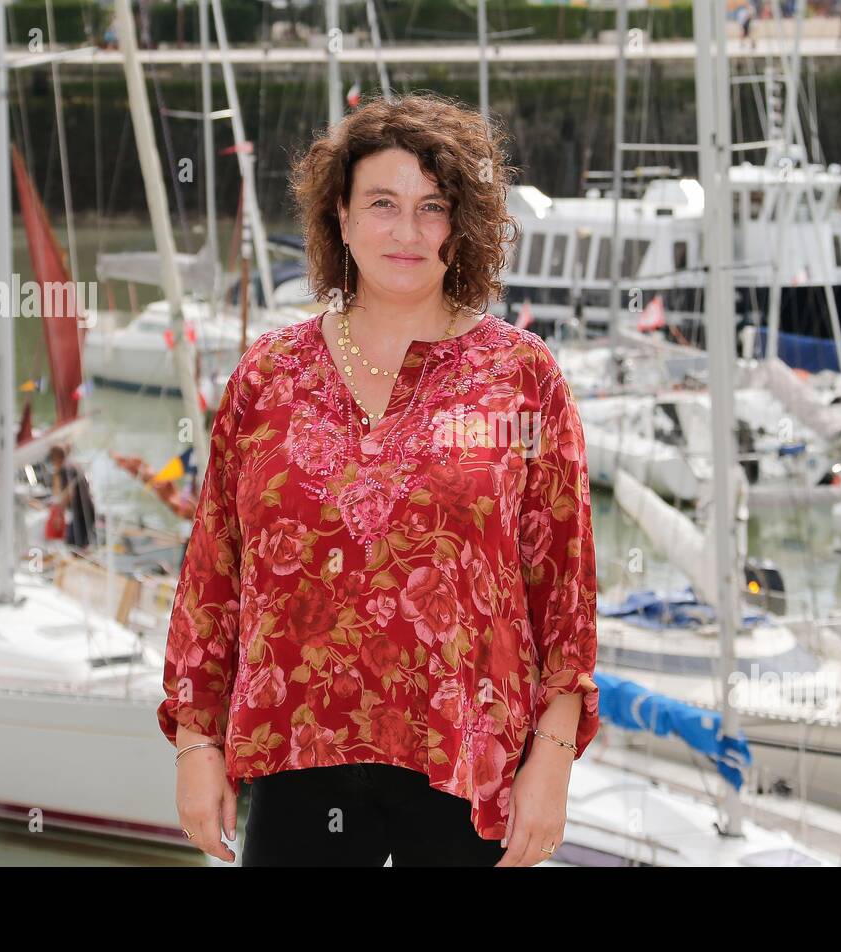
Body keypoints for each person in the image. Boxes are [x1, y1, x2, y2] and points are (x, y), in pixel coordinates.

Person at [157, 92, 600, 867]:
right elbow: (213, 574)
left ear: (463, 226)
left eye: (433, 207)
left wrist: (552, 762)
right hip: (296, 763)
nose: (406, 231)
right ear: (341, 214)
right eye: (383, 204)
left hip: (465, 771)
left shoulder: (522, 378)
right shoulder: (269, 375)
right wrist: (195, 743)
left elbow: (563, 590)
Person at [47, 444, 96, 550]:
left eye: (51, 458)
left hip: (82, 513)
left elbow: (69, 493)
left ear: (55, 458)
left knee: (74, 546)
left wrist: (59, 514)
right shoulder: (72, 465)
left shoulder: (65, 469)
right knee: (78, 545)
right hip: (86, 510)